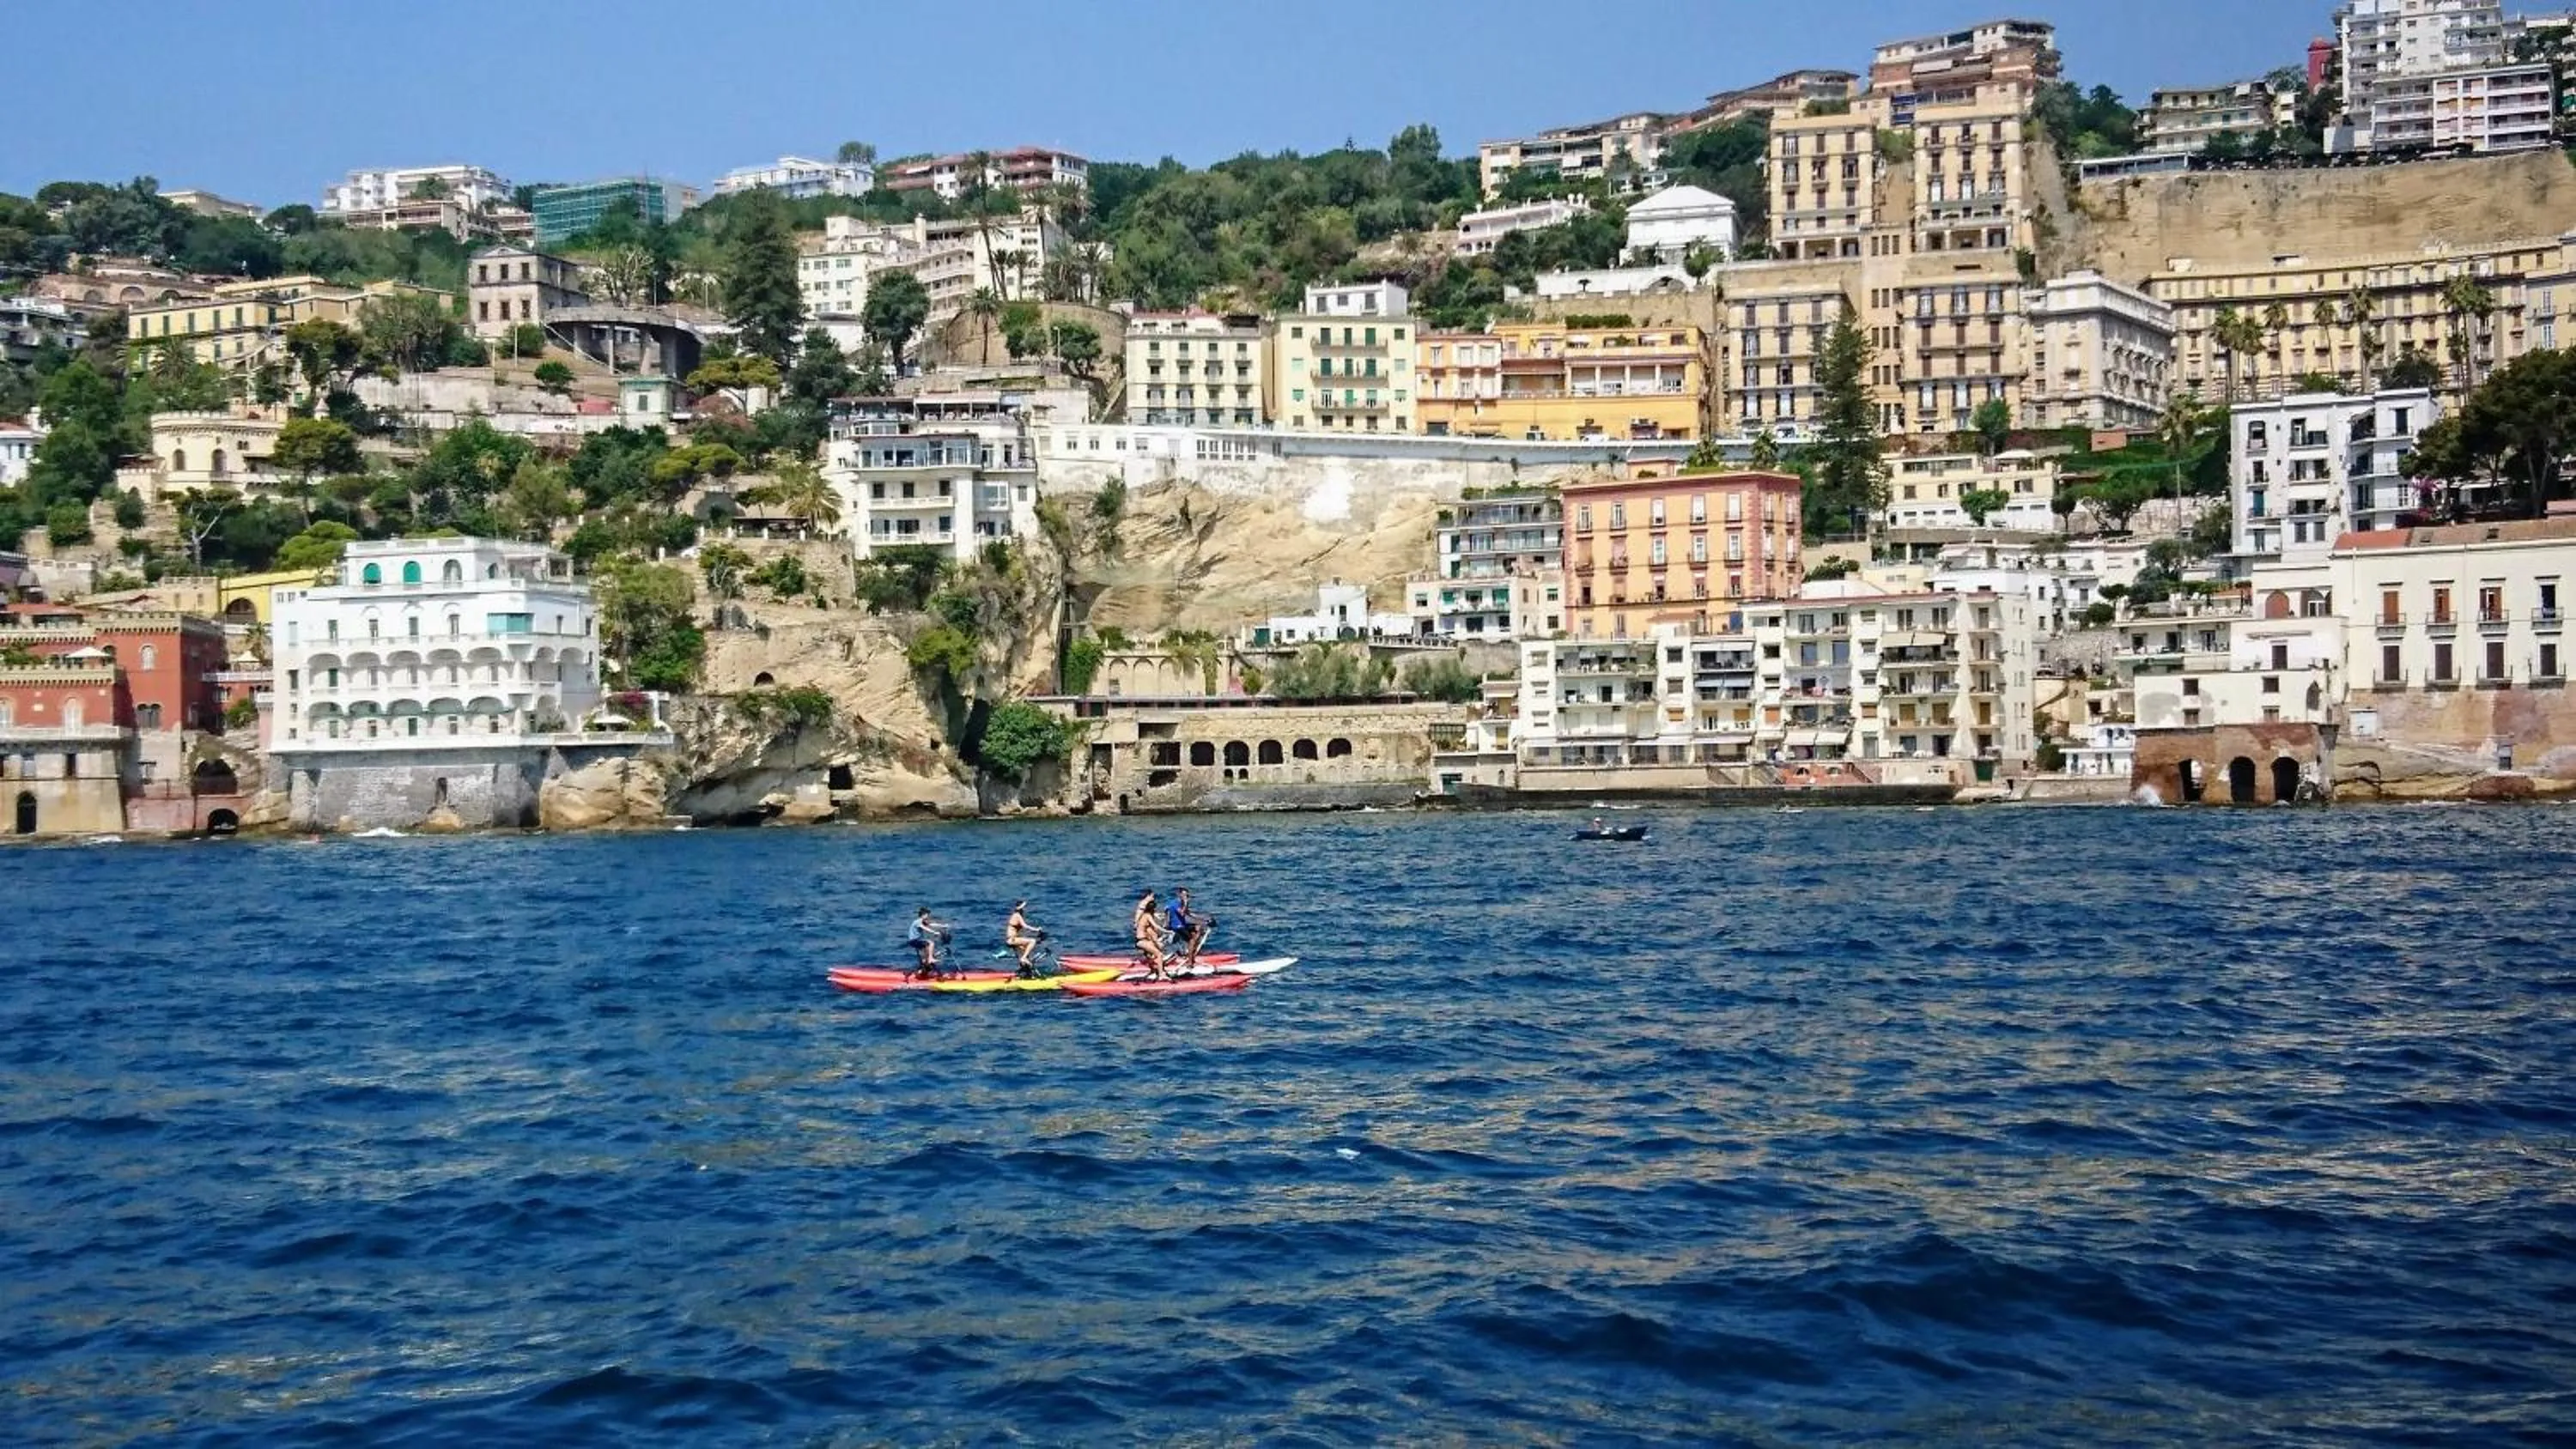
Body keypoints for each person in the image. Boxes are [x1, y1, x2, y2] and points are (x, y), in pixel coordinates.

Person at [1165, 887, 1214, 969]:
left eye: (1187, 895)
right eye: (1184, 895)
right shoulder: (1175, 903)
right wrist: (1186, 902)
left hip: (1182, 925)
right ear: (1179, 895)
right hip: (1177, 926)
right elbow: (1182, 913)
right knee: (1191, 940)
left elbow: (1190, 914)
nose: (1186, 897)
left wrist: (1204, 920)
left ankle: (1190, 952)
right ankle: (1190, 962)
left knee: (1198, 928)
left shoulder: (1181, 904)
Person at [1131, 888, 1168, 979]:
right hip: (1144, 930)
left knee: (1150, 950)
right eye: (1152, 896)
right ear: (1149, 895)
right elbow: (1144, 916)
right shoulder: (1144, 904)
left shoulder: (1145, 906)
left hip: (1142, 930)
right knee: (1156, 947)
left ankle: (1155, 967)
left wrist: (1157, 915)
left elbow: (1148, 913)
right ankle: (1160, 971)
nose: (1153, 898)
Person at [907, 906, 953, 979]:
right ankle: (931, 960)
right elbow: (924, 928)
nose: (928, 916)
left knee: (926, 959)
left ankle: (922, 970)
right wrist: (934, 932)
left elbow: (931, 925)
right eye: (927, 915)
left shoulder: (922, 921)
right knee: (931, 943)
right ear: (923, 915)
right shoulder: (918, 921)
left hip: (916, 941)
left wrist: (943, 926)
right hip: (914, 941)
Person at [1005, 900, 1047, 977]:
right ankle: (1024, 959)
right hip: (1012, 940)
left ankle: (1026, 973)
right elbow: (1025, 926)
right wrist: (1036, 929)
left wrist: (1035, 934)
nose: (1024, 909)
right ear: (1020, 908)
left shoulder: (1016, 915)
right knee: (1032, 942)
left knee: (1025, 953)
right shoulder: (1017, 915)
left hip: (1012, 940)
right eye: (1023, 907)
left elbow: (1022, 931)